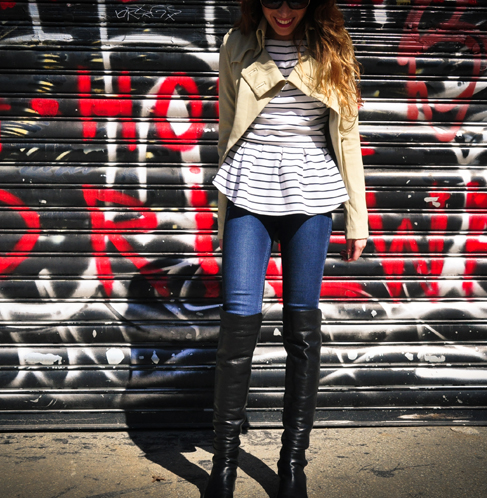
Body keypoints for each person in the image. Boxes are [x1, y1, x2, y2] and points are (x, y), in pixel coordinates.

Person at [203, 0, 368, 497]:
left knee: (302, 330)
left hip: (312, 189)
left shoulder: (333, 46)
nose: (283, 10)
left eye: (295, 0)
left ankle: (292, 463)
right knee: (237, 327)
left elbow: (347, 133)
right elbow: (226, 128)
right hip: (248, 185)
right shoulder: (236, 44)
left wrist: (357, 219)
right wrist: (222, 211)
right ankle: (224, 465)